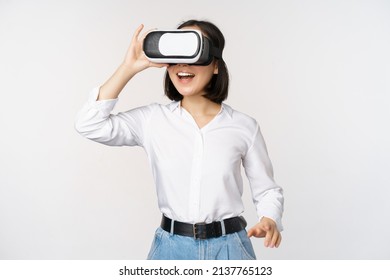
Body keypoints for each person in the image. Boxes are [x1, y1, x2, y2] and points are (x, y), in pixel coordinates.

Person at [75, 19, 284, 260]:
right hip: (170, 250)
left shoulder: (244, 126)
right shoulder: (152, 120)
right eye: (175, 56)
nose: (182, 64)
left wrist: (269, 218)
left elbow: (267, 190)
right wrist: (128, 67)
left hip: (230, 249)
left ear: (215, 65)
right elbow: (89, 124)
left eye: (194, 54)